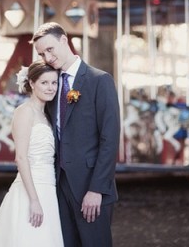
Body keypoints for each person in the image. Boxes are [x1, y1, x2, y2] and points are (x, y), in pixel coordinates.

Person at [32, 21, 120, 247]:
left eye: (50, 49)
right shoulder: (51, 86)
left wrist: (96, 189)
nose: (48, 57)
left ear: (64, 40)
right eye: (42, 54)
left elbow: (109, 140)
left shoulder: (99, 80)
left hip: (90, 186)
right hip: (58, 187)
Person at [0, 61, 64, 247]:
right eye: (44, 83)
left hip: (49, 187)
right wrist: (34, 200)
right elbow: (21, 157)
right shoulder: (24, 112)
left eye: (54, 83)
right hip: (31, 188)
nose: (51, 88)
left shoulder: (46, 115)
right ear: (32, 83)